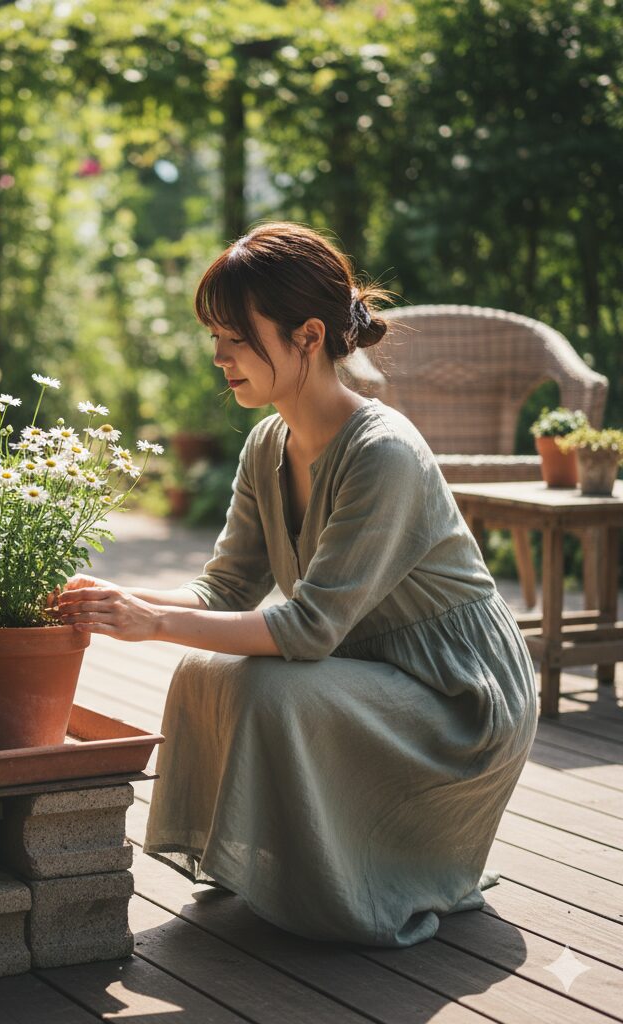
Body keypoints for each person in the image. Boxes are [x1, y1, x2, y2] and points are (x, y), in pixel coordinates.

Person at [55, 221, 539, 948]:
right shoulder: (267, 442)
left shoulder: (384, 452)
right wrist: (117, 599)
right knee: (202, 670)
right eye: (214, 337)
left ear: (308, 336)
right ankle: (269, 872)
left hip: (459, 697)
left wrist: (148, 623)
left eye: (236, 337)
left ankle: (359, 882)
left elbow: (309, 630)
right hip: (372, 669)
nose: (218, 356)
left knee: (265, 686)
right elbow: (224, 589)